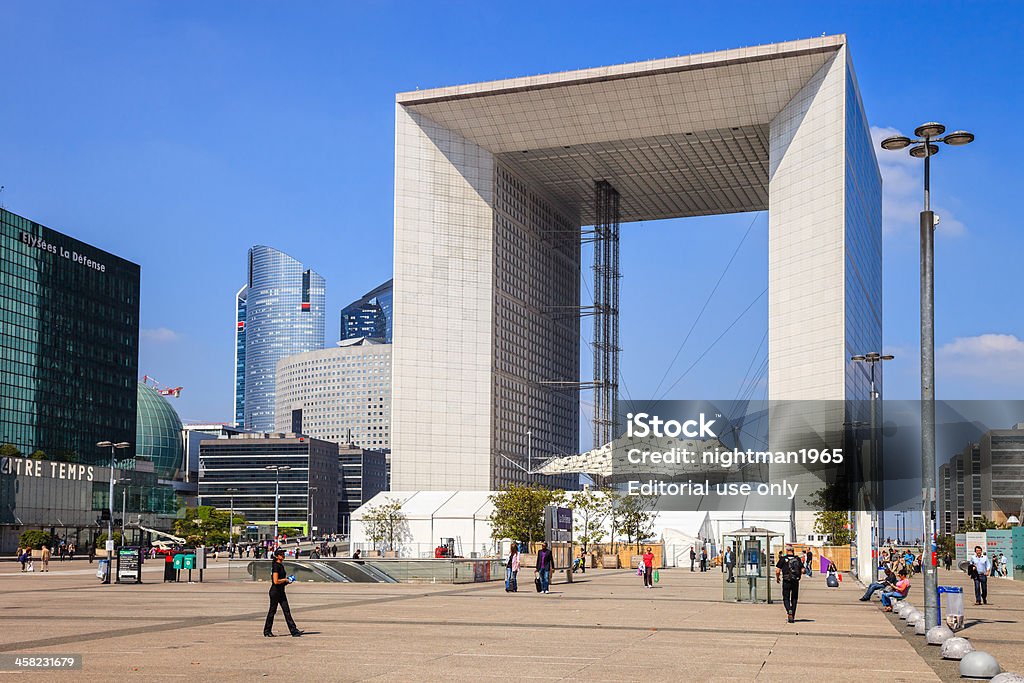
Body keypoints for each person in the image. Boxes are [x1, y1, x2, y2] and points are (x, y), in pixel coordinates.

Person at [264, 549, 303, 637]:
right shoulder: (276, 566)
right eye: (281, 554)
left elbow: (280, 581)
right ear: (277, 556)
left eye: (283, 554)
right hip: (275, 592)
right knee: (272, 612)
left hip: (281, 591)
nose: (283, 555)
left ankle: (294, 631)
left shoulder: (280, 565)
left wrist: (287, 581)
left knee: (287, 611)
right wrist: (285, 579)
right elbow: (275, 581)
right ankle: (267, 631)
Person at [775, 545, 804, 623]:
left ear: (787, 551)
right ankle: (792, 615)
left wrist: (777, 578)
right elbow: (803, 570)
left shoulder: (783, 559)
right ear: (793, 551)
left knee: (786, 598)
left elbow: (777, 571)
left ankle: (789, 610)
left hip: (786, 580)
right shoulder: (797, 559)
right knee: (794, 598)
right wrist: (799, 576)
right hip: (795, 580)